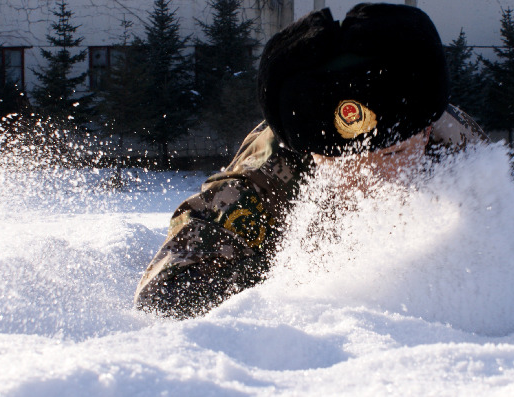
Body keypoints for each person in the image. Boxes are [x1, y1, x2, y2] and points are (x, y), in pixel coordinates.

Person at [134, 3, 487, 318]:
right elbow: (165, 296)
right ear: (313, 155)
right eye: (343, 163)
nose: (370, 178)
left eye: (392, 154)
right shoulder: (270, 172)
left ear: (424, 134)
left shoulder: (457, 147)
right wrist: (284, 291)